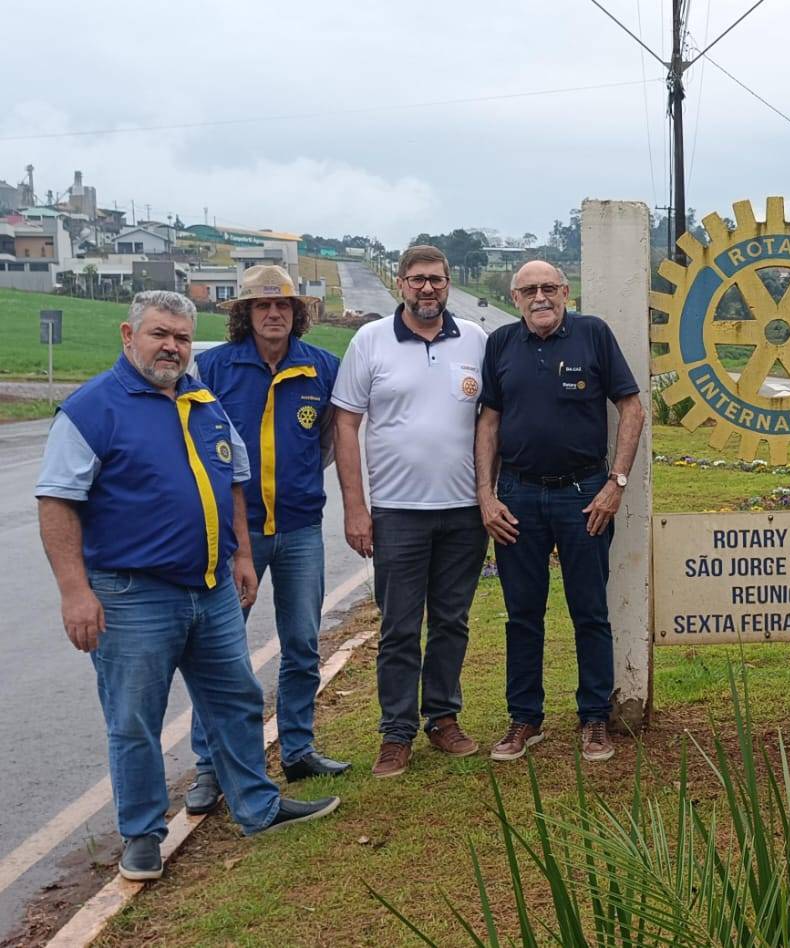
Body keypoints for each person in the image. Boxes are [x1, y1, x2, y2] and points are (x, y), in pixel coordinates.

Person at [36, 291, 339, 881]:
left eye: (180, 337)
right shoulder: (92, 409)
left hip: (212, 589)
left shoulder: (203, 402)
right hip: (132, 595)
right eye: (159, 334)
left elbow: (234, 482)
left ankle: (258, 806)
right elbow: (57, 501)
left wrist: (242, 556)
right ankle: (142, 835)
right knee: (135, 719)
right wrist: (75, 591)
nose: (171, 347)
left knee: (236, 701)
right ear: (129, 336)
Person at [181, 266, 347, 817]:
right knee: (219, 655)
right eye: (261, 306)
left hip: (300, 528)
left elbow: (327, 441)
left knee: (302, 644)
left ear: (297, 313)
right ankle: (209, 767)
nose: (273, 314)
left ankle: (297, 749)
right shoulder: (214, 368)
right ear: (244, 314)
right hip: (235, 535)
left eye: (283, 306)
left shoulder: (322, 367)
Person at [475, 260, 644, 764]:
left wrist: (616, 483)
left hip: (583, 495)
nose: (540, 297)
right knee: (522, 614)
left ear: (566, 291)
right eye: (529, 290)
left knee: (589, 612)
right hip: (517, 498)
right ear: (515, 297)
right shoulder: (501, 343)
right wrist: (486, 495)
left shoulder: (593, 334)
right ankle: (524, 719)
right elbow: (489, 421)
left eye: (549, 287)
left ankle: (594, 718)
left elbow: (632, 408)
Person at [332, 245, 489, 778]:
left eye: (437, 280)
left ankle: (442, 718)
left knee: (451, 621)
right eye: (418, 279)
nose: (428, 288)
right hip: (397, 513)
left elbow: (491, 419)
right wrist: (356, 508)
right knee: (399, 627)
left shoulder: (474, 340)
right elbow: (346, 423)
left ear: (449, 283)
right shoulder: (370, 340)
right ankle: (396, 733)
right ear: (401, 283)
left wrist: (490, 494)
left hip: (464, 511)